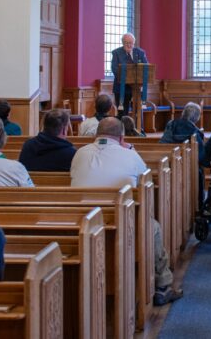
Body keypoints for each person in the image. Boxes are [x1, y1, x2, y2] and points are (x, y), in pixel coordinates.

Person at [71, 117, 182, 306]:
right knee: (153, 227)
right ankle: (163, 285)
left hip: (80, 220)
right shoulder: (130, 155)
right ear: (122, 137)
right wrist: (131, 150)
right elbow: (145, 180)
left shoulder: (80, 153)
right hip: (120, 221)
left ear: (97, 134)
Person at [111, 32, 147, 118]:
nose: (129, 45)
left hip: (137, 88)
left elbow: (146, 68)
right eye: (126, 43)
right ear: (123, 43)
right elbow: (115, 69)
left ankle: (139, 129)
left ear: (134, 43)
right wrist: (128, 79)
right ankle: (123, 130)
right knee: (123, 113)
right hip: (121, 88)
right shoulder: (116, 53)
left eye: (131, 43)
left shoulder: (140, 53)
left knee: (138, 111)